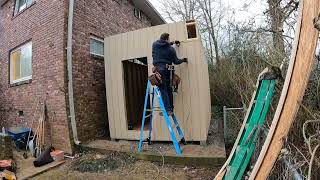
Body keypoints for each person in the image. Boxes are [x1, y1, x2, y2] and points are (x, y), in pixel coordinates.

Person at [152, 33, 188, 115]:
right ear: (167, 39)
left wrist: (172, 42)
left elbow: (162, 45)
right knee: (168, 89)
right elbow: (176, 61)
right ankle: (170, 109)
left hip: (159, 70)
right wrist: (184, 60)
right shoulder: (170, 49)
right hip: (168, 71)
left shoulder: (154, 45)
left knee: (163, 89)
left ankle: (168, 109)